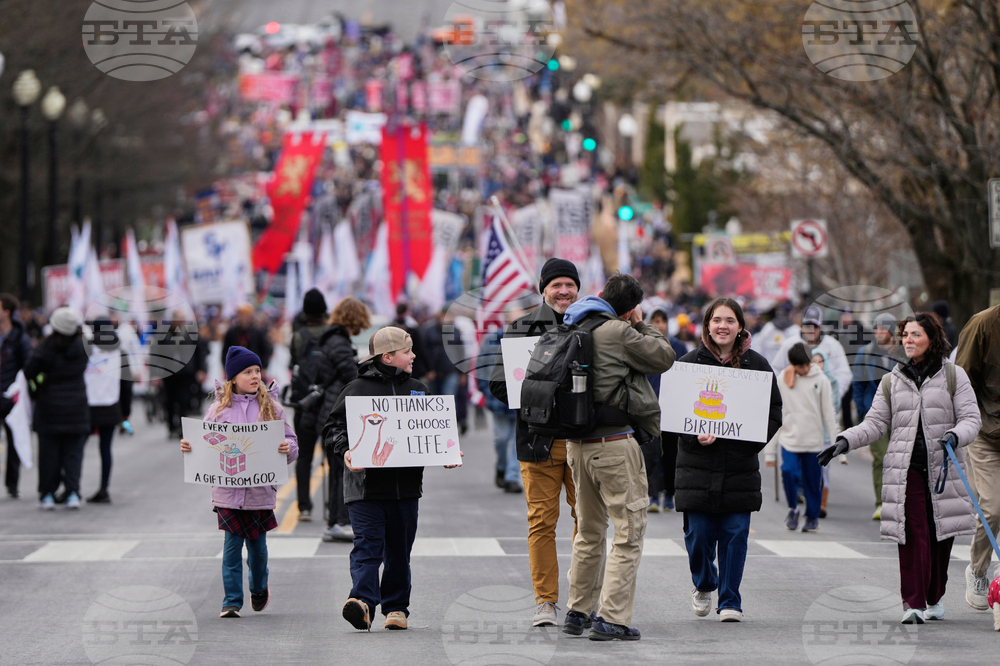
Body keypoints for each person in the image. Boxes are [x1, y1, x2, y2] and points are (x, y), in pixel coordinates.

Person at [819, 313, 981, 624]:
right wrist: (845, 440)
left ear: (932, 339)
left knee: (941, 537)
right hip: (906, 470)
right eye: (905, 334)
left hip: (944, 468)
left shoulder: (954, 376)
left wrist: (955, 434)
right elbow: (875, 423)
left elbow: (971, 419)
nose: (908, 340)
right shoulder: (892, 380)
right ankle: (913, 603)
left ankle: (934, 596)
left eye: (915, 334)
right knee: (913, 534)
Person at [561, 274, 676, 641]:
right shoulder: (620, 331)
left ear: (599, 296)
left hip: (577, 445)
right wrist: (642, 324)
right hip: (613, 443)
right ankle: (612, 618)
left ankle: (577, 611)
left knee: (588, 531)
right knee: (629, 532)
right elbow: (664, 357)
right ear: (629, 310)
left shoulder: (572, 325)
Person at [324, 326, 461, 632]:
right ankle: (361, 601)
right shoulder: (356, 390)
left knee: (399, 552)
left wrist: (446, 451)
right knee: (367, 547)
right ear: (387, 357)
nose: (414, 356)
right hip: (364, 488)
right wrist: (345, 451)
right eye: (407, 351)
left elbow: (433, 433)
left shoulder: (419, 390)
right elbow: (333, 428)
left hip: (405, 490)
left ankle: (396, 608)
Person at [489, 258, 584, 627]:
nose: (564, 291)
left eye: (570, 285)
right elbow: (499, 384)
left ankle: (583, 599)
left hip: (582, 441)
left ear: (578, 289)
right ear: (544, 289)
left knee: (588, 522)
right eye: (556, 285)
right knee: (541, 523)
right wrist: (541, 394)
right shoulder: (521, 329)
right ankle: (545, 601)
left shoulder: (591, 325)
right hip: (538, 440)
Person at [675, 297, 782, 622]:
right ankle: (704, 582)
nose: (723, 326)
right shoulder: (688, 364)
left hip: (739, 467)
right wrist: (694, 436)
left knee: (735, 535)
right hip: (697, 468)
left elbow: (774, 411)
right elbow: (674, 413)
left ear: (740, 327)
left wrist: (751, 440)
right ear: (707, 325)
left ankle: (730, 600)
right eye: (717, 320)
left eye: (730, 320)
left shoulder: (757, 366)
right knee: (698, 536)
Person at [180, 346, 298, 619]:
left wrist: (287, 449)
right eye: (247, 372)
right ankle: (231, 601)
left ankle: (259, 587)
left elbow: (291, 442)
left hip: (259, 492)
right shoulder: (218, 410)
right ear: (233, 378)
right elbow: (204, 442)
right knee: (231, 548)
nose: (255, 376)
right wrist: (190, 447)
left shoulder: (272, 408)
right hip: (228, 493)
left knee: (258, 551)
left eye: (257, 371)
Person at [955, 303, 1000, 611]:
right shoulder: (983, 324)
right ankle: (978, 570)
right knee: (994, 508)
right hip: (985, 431)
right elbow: (961, 381)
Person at [24, 307, 91, 510]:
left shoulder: (45, 347)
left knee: (48, 454)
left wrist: (39, 385)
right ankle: (72, 492)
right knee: (73, 453)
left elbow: (29, 371)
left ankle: (47, 494)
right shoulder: (83, 347)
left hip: (49, 406)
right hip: (77, 405)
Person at [315, 297, 370, 542]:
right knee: (342, 470)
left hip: (329, 409)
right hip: (336, 412)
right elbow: (351, 375)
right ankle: (339, 521)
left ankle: (335, 521)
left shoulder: (333, 338)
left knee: (338, 469)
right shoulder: (339, 341)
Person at [769, 343, 838, 533]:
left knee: (812, 481)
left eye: (808, 364)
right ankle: (793, 509)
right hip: (789, 439)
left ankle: (812, 517)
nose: (806, 369)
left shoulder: (821, 379)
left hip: (813, 441)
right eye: (801, 366)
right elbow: (776, 412)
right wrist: (769, 452)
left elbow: (829, 414)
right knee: (788, 472)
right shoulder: (783, 379)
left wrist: (838, 446)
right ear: (793, 364)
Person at [853, 313, 904, 520]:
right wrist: (863, 411)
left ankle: (898, 502)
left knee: (900, 459)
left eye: (883, 329)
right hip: (875, 414)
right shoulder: (865, 354)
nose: (879, 333)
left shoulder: (903, 353)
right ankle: (881, 503)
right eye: (876, 329)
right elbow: (858, 384)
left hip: (901, 414)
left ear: (892, 332)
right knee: (881, 457)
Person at [288, 288, 330, 522]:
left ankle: (304, 506)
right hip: (328, 402)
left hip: (304, 402)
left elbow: (294, 362)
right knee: (333, 456)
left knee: (304, 456)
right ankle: (333, 505)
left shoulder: (298, 336)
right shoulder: (333, 334)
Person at [83, 318, 133, 504]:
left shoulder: (87, 350)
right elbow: (127, 385)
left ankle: (71, 488)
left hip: (87, 406)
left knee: (76, 449)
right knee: (105, 449)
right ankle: (104, 488)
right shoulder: (120, 352)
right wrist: (125, 412)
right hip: (111, 406)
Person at [645, 309, 689, 512]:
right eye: (656, 321)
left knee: (671, 454)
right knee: (651, 453)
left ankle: (670, 494)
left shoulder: (678, 346)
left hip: (673, 408)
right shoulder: (644, 344)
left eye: (663, 321)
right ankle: (653, 495)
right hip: (650, 407)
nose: (660, 325)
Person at [478, 308, 524, 494]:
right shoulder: (492, 340)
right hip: (498, 400)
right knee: (501, 438)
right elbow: (481, 366)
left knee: (517, 440)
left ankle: (512, 477)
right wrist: (485, 390)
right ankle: (502, 466)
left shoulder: (529, 341)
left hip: (521, 401)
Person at [771, 305, 852, 406]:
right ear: (801, 325)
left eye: (815, 326)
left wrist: (834, 396)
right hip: (795, 403)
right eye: (807, 325)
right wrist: (784, 395)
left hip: (825, 401)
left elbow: (844, 373)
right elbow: (776, 370)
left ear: (820, 326)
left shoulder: (833, 345)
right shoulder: (790, 344)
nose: (811, 329)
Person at [0, 293, 34, 498]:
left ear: (6, 312)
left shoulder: (20, 338)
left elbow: (27, 366)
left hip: (10, 396)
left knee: (13, 440)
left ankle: (12, 484)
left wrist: (19, 391)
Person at [154, 311, 209, 439]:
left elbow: (200, 352)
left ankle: (182, 428)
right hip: (169, 373)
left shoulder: (191, 334)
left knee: (184, 400)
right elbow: (156, 353)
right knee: (169, 401)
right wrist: (155, 373)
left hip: (186, 373)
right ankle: (171, 427)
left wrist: (201, 370)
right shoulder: (163, 334)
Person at [222, 303, 273, 379]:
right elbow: (225, 352)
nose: (243, 317)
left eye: (245, 315)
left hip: (254, 368)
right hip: (237, 368)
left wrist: (264, 366)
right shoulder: (232, 332)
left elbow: (266, 350)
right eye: (240, 315)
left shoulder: (257, 332)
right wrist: (225, 367)